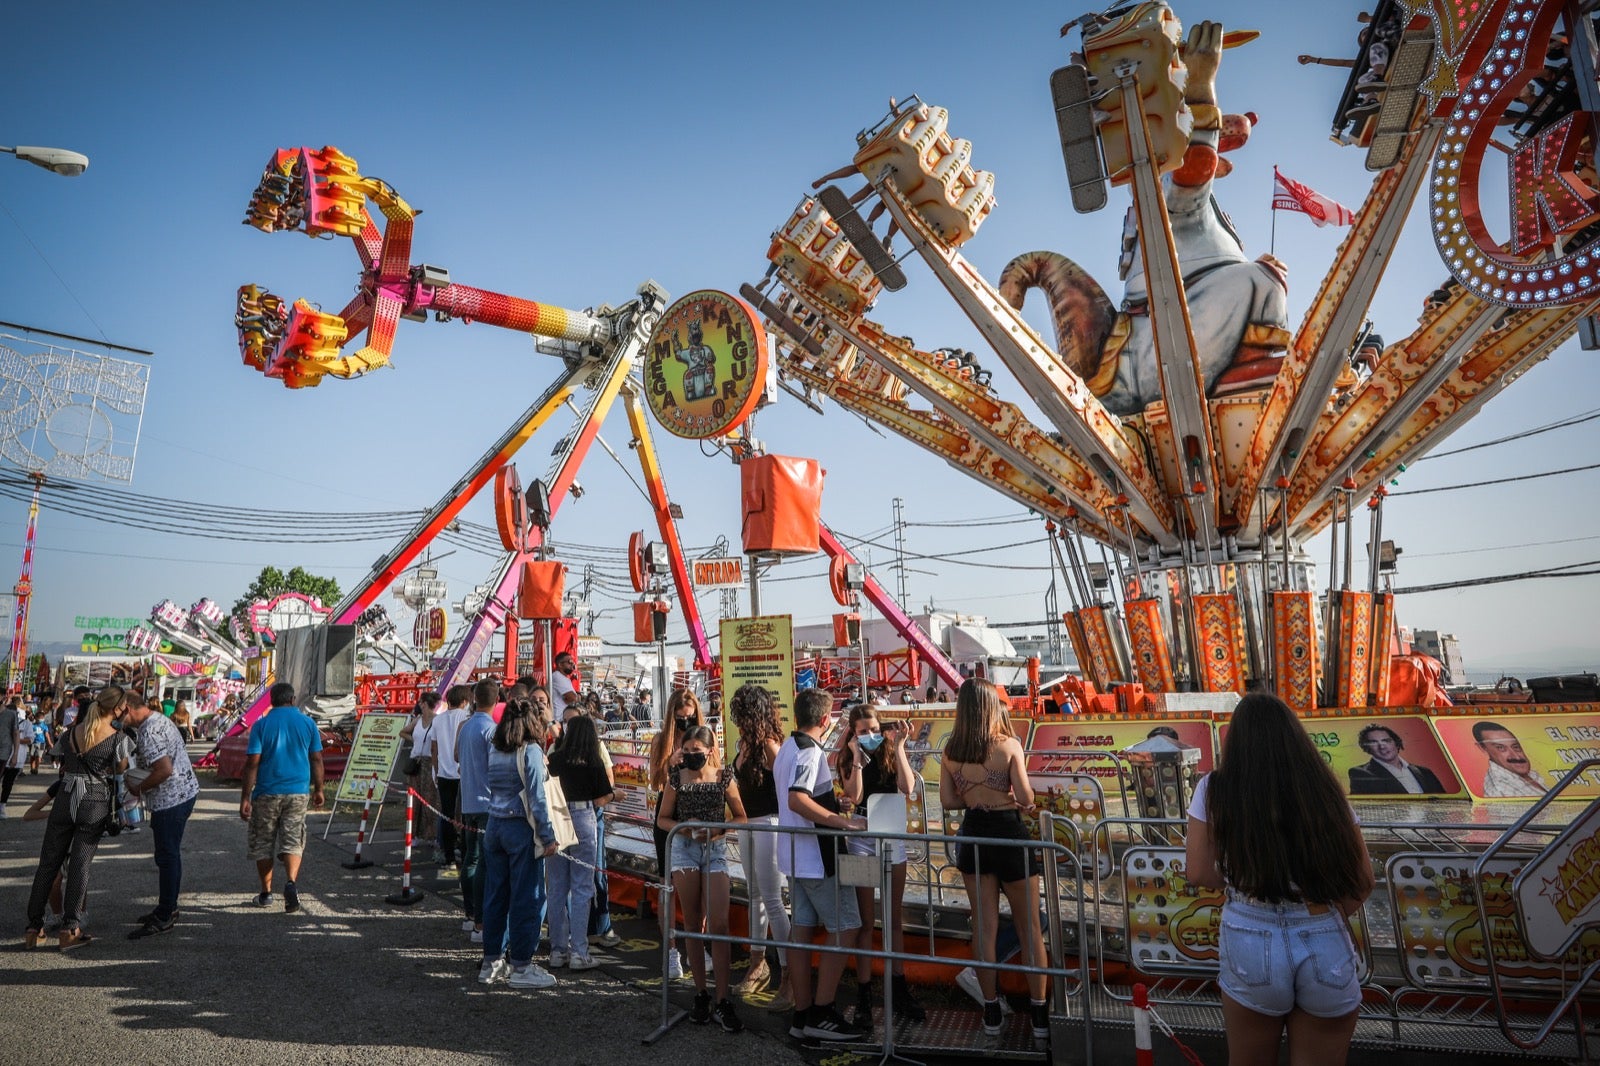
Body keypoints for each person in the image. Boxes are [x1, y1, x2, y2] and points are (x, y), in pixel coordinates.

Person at [1185, 692, 1374, 1066]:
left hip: (1250, 937)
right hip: (1321, 933)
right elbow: (1362, 880)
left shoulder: (1214, 788)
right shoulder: (1323, 789)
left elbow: (1199, 871)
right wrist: (1322, 915)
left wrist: (1245, 885)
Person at [940, 678, 1050, 1042]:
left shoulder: (951, 750)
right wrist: (1020, 799)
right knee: (1029, 928)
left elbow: (948, 801)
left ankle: (990, 1011)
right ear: (990, 706)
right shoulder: (1009, 746)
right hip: (1009, 834)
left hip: (973, 835)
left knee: (983, 928)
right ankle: (1038, 1016)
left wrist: (975, 798)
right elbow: (1026, 795)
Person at [775, 687, 868, 1042]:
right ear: (826, 720)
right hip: (817, 858)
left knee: (801, 933)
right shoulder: (809, 752)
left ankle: (802, 1014)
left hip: (795, 855)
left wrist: (831, 808)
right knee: (846, 926)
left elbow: (799, 798)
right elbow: (798, 800)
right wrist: (842, 821)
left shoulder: (787, 747)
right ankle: (823, 1010)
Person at [837, 702, 925, 1026]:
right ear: (852, 733)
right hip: (860, 839)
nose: (870, 735)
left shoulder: (890, 750)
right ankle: (864, 994)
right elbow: (856, 796)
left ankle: (898, 989)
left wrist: (900, 746)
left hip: (892, 838)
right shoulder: (848, 759)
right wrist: (858, 757)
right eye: (863, 731)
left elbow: (908, 787)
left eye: (874, 729)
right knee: (864, 922)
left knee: (894, 918)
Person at [658, 724, 748, 1032]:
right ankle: (701, 994)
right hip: (684, 848)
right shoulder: (675, 778)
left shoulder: (724, 777)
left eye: (698, 751)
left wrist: (718, 829)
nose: (692, 757)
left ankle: (723, 998)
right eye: (687, 752)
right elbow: (662, 818)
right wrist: (685, 827)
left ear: (710, 751)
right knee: (693, 924)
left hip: (715, 849)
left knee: (719, 925)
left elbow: (741, 816)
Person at [25, 685, 130, 949]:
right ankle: (70, 929)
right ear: (118, 708)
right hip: (93, 800)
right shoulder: (118, 737)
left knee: (48, 864)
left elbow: (58, 757)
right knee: (79, 866)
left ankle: (33, 927)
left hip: (65, 795)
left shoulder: (72, 732)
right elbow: (122, 769)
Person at [478, 691, 559, 990]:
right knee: (527, 898)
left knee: (495, 895)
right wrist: (548, 837)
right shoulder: (531, 752)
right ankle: (523, 965)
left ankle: (491, 960)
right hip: (520, 828)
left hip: (494, 825)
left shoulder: (495, 749)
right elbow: (538, 799)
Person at [729, 682, 794, 1010]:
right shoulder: (745, 743)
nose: (736, 719)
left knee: (771, 898)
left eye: (740, 713)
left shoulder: (770, 745)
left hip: (769, 823)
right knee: (755, 894)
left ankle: (789, 975)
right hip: (748, 824)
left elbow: (786, 790)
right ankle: (759, 963)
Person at [240, 682, 325, 913]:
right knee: (293, 839)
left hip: (266, 792)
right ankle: (290, 883)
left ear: (272, 701)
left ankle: (266, 893)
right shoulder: (308, 723)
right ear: (292, 699)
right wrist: (318, 789)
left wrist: (245, 797)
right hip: (298, 792)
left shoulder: (261, 725)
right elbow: (316, 759)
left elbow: (252, 763)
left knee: (264, 842)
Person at [122, 692, 201, 938]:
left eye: (117, 712)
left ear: (127, 708)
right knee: (169, 855)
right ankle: (168, 906)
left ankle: (165, 914)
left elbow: (164, 770)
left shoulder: (148, 731)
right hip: (182, 793)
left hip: (171, 799)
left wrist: (138, 787)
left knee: (167, 857)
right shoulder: (157, 719)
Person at [546, 714, 613, 971]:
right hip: (584, 816)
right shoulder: (593, 761)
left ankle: (557, 950)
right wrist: (615, 795)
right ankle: (579, 952)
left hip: (558, 816)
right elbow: (603, 795)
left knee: (557, 887)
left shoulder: (555, 759)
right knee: (583, 887)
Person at [650, 688, 706, 980]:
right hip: (668, 816)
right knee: (667, 887)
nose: (687, 722)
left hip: (699, 811)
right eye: (681, 718)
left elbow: (716, 772)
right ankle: (671, 952)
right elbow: (654, 781)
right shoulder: (662, 740)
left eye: (691, 717)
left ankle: (699, 946)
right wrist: (670, 762)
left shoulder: (706, 739)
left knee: (701, 887)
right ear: (672, 717)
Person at [457, 677, 500, 943]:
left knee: (470, 859)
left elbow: (455, 758)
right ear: (496, 701)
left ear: (475, 699)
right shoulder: (491, 730)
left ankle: (471, 915)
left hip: (469, 799)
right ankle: (481, 923)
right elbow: (497, 769)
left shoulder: (466, 727)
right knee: (485, 863)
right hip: (487, 803)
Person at [431, 684, 470, 873]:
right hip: (462, 773)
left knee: (446, 815)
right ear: (464, 702)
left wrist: (436, 769)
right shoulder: (465, 717)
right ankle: (463, 852)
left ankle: (447, 856)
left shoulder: (438, 720)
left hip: (444, 773)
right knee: (464, 816)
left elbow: (434, 747)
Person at [1347, 724, 1447, 795]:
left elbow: (1443, 802)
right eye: (1373, 742)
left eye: (1386, 740)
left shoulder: (1424, 772)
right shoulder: (1360, 773)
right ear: (1367, 748)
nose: (1382, 746)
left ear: (1396, 743)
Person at [401, 692, 440, 855]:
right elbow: (403, 732)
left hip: (429, 762)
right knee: (414, 799)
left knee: (430, 799)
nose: (419, 705)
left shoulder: (437, 721)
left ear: (425, 704)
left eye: (421, 702)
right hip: (416, 761)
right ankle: (414, 833)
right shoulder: (417, 720)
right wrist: (415, 742)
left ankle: (431, 834)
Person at [1474, 722, 1548, 797]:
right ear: (1482, 748)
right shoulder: (1500, 790)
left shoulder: (1531, 775)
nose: (1517, 757)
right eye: (1501, 748)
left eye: (1515, 747)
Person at [0, 695, 28, 816]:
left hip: (12, 757)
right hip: (5, 755)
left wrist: (15, 754)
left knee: (7, 783)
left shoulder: (25, 723)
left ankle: (2, 806)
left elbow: (28, 739)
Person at [29, 709, 53, 775]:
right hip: (33, 743)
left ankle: (36, 769)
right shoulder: (32, 725)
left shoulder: (44, 726)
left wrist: (50, 743)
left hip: (42, 743)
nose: (41, 719)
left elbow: (47, 735)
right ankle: (32, 768)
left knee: (38, 757)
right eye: (39, 718)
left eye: (42, 718)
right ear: (36, 718)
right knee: (32, 756)